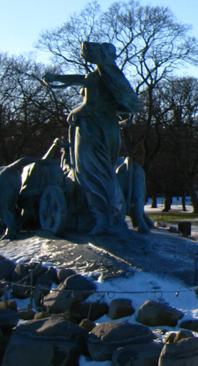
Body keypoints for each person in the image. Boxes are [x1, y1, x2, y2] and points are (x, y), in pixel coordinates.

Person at [44, 42, 141, 235]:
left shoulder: (101, 76)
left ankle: (103, 219)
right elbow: (83, 80)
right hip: (108, 129)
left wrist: (74, 112)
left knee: (92, 174)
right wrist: (57, 79)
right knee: (104, 172)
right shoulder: (110, 75)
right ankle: (108, 217)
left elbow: (89, 105)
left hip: (93, 131)